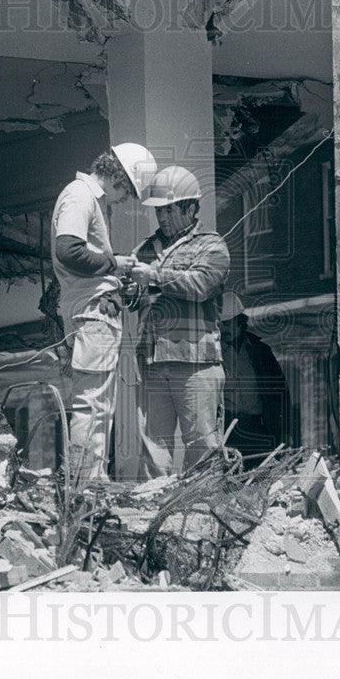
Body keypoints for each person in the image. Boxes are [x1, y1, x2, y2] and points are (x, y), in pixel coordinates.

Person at [50, 142, 156, 482]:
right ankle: (87, 483)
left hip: (92, 310)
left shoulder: (85, 198)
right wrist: (115, 263)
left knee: (98, 406)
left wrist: (112, 276)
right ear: (120, 177)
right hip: (92, 314)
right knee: (93, 405)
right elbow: (68, 250)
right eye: (128, 191)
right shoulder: (80, 196)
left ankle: (91, 479)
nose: (125, 199)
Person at [129, 166, 230, 478]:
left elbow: (201, 286)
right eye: (159, 210)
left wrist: (154, 276)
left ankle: (202, 508)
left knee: (202, 443)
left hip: (195, 360)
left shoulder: (211, 245)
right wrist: (127, 289)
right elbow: (131, 300)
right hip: (152, 359)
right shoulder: (144, 249)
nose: (163, 218)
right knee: (153, 446)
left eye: (170, 210)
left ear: (191, 207)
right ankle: (155, 512)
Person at [219, 291, 292, 463]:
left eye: (229, 324)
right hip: (228, 430)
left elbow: (280, 392)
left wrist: (286, 431)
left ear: (240, 322)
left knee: (262, 476)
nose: (225, 329)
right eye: (222, 325)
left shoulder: (259, 351)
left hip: (258, 427)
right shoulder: (214, 353)